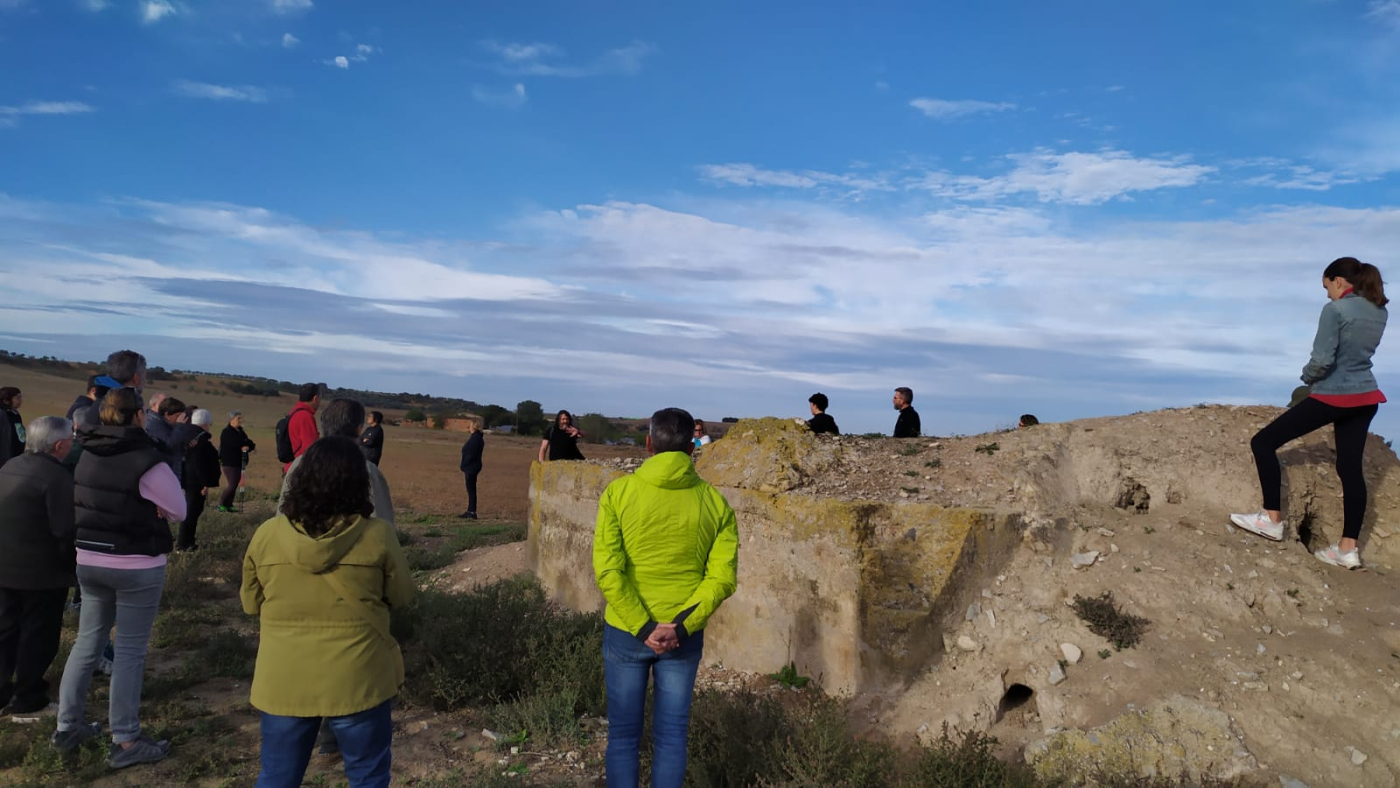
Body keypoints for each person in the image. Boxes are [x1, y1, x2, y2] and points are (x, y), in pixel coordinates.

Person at [242, 436, 414, 788]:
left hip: (283, 680)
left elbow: (249, 603)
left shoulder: (266, 535)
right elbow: (401, 596)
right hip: (359, 678)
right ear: (358, 484)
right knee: (368, 775)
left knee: (277, 776)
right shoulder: (378, 535)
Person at [593, 407, 739, 788]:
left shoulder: (619, 493)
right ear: (693, 445)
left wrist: (642, 626)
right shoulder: (715, 503)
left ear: (649, 444)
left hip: (627, 631)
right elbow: (721, 579)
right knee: (672, 737)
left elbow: (609, 570)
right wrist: (682, 626)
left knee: (624, 737)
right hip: (681, 638)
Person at [1231, 257, 1389, 570]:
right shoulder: (1378, 310)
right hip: (1365, 397)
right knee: (1350, 469)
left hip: (1334, 396)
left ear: (1340, 282)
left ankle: (1271, 518)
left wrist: (1307, 378)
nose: (1326, 294)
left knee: (1262, 442)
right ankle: (1347, 549)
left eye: (1327, 286)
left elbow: (1322, 359)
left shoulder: (1336, 310)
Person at [56, 388, 183, 768]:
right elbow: (178, 509)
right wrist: (157, 509)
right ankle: (126, 741)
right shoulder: (148, 460)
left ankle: (67, 726)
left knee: (87, 642)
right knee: (129, 652)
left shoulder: (86, 452)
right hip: (136, 565)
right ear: (138, 416)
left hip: (89, 560)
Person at [0, 417, 76, 716]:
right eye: (70, 438)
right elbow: (65, 529)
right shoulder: (56, 477)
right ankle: (29, 699)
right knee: (39, 636)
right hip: (40, 573)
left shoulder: (10, 466)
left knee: (5, 631)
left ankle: (2, 693)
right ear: (59, 445)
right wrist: (72, 562)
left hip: (5, 567)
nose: (72, 443)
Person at [279, 398, 394, 528]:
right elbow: (384, 525)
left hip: (297, 544)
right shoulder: (366, 469)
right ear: (359, 429)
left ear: (323, 425)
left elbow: (282, 515)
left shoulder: (299, 464)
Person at [177, 410, 221, 552]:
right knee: (192, 511)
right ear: (206, 423)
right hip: (195, 481)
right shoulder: (199, 439)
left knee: (192, 511)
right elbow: (199, 464)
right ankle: (184, 544)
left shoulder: (185, 434)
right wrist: (205, 483)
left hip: (187, 478)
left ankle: (188, 542)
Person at [218, 412, 256, 513]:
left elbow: (249, 442)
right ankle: (221, 504)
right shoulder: (226, 432)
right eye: (238, 418)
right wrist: (242, 446)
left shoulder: (240, 431)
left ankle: (229, 505)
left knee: (235, 484)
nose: (241, 420)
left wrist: (248, 446)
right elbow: (232, 444)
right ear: (231, 420)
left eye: (241, 418)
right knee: (232, 484)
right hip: (229, 462)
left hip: (239, 462)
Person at [284, 384, 322, 473]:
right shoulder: (305, 417)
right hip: (300, 470)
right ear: (315, 398)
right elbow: (311, 449)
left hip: (291, 467)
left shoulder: (294, 412)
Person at [459, 421, 484, 520]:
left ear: (473, 427)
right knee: (471, 490)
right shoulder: (478, 438)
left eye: (469, 426)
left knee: (471, 490)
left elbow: (471, 454)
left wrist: (465, 464)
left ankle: (472, 511)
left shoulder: (475, 439)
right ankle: (470, 510)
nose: (468, 428)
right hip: (473, 466)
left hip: (471, 467)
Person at [0, 387, 25, 469]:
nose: (21, 400)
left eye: (21, 397)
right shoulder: (2, 415)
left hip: (15, 457)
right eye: (17, 398)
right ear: (6, 400)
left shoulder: (15, 414)